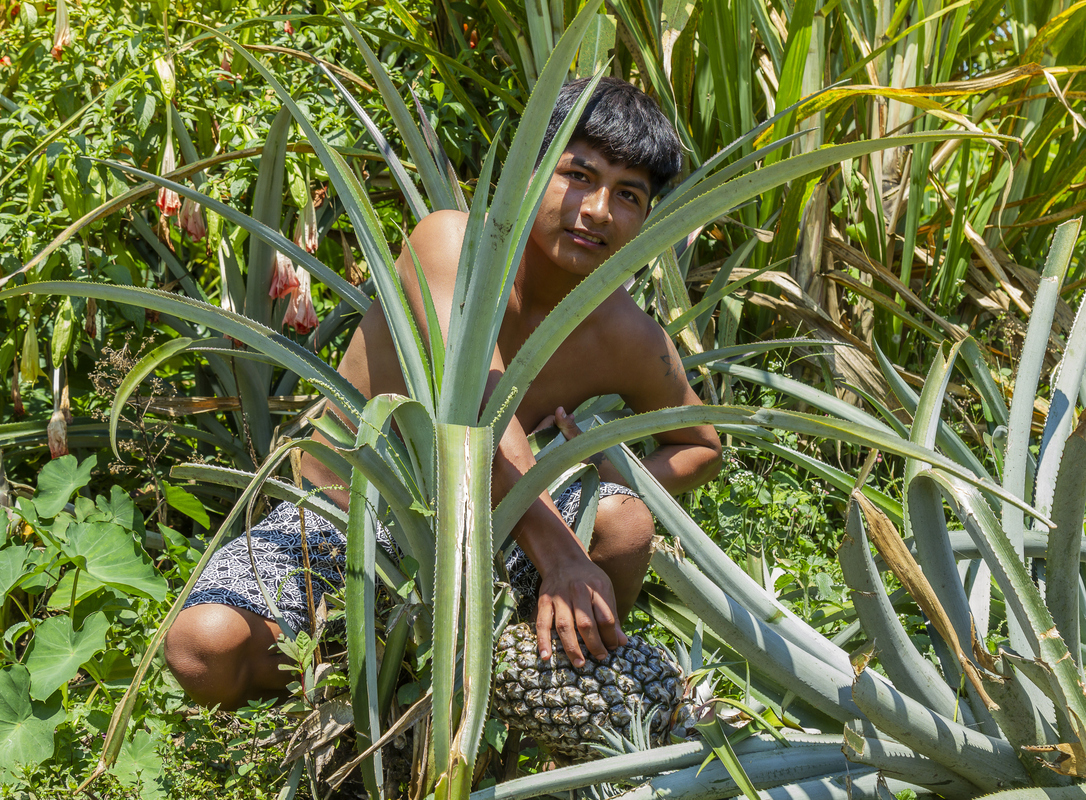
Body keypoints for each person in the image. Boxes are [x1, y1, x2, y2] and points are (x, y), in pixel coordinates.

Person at [165, 77, 722, 710]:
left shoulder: (625, 333)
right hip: (341, 524)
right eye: (579, 175)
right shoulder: (452, 243)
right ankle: (371, 694)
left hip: (496, 530)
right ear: (531, 173)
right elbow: (473, 403)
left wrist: (601, 468)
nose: (597, 209)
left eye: (628, 195)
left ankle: (552, 699)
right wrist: (562, 554)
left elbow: (702, 445)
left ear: (647, 218)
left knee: (622, 518)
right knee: (201, 648)